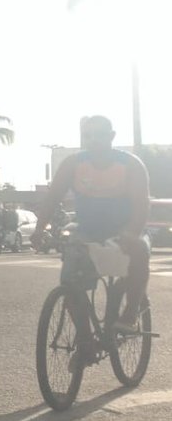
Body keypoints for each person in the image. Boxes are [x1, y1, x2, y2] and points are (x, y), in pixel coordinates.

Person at [35, 115, 150, 332]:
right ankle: (85, 338)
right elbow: (52, 198)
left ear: (112, 136)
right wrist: (40, 229)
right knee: (69, 284)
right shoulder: (73, 164)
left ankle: (130, 313)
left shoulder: (131, 165)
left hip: (123, 230)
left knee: (140, 250)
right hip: (87, 232)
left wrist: (131, 233)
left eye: (99, 135)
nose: (93, 140)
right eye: (88, 135)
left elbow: (141, 206)